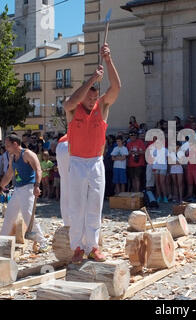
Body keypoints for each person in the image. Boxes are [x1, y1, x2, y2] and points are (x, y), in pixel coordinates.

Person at [63, 43, 121, 264]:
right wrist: (91, 80)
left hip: (96, 162)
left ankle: (93, 246)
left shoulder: (102, 107)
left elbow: (117, 87)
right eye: (89, 95)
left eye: (94, 96)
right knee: (76, 207)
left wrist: (108, 60)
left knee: (95, 206)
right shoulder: (72, 108)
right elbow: (69, 101)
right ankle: (77, 246)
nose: (92, 99)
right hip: (77, 162)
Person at [0, 134, 49, 253]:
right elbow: (9, 173)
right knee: (9, 215)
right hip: (17, 189)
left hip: (28, 188)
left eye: (8, 145)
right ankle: (2, 242)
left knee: (28, 216)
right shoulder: (12, 156)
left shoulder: (27, 154)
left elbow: (38, 169)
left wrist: (37, 186)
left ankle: (43, 242)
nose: (6, 148)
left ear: (15, 144)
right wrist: (1, 185)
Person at [55, 134, 70, 226]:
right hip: (74, 143)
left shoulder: (61, 140)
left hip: (62, 145)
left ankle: (67, 222)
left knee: (65, 186)